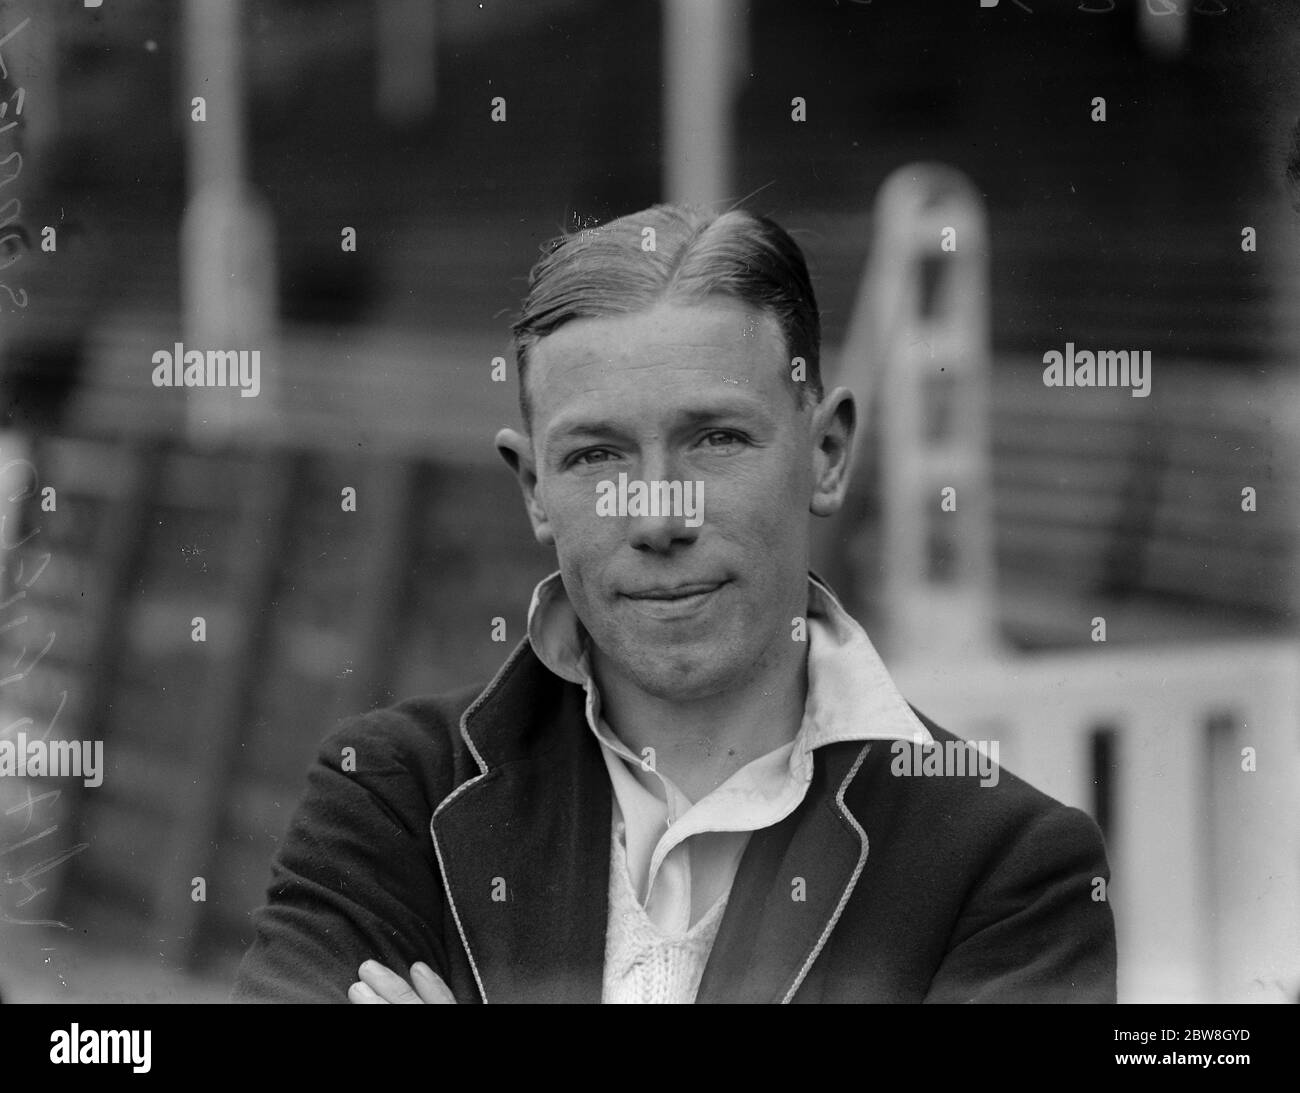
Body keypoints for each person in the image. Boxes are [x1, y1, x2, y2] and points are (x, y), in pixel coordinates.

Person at [232, 203, 1116, 1004]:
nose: (658, 514)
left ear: (828, 454)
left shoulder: (1006, 863)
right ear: (535, 488)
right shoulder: (393, 795)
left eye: (717, 439)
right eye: (597, 457)